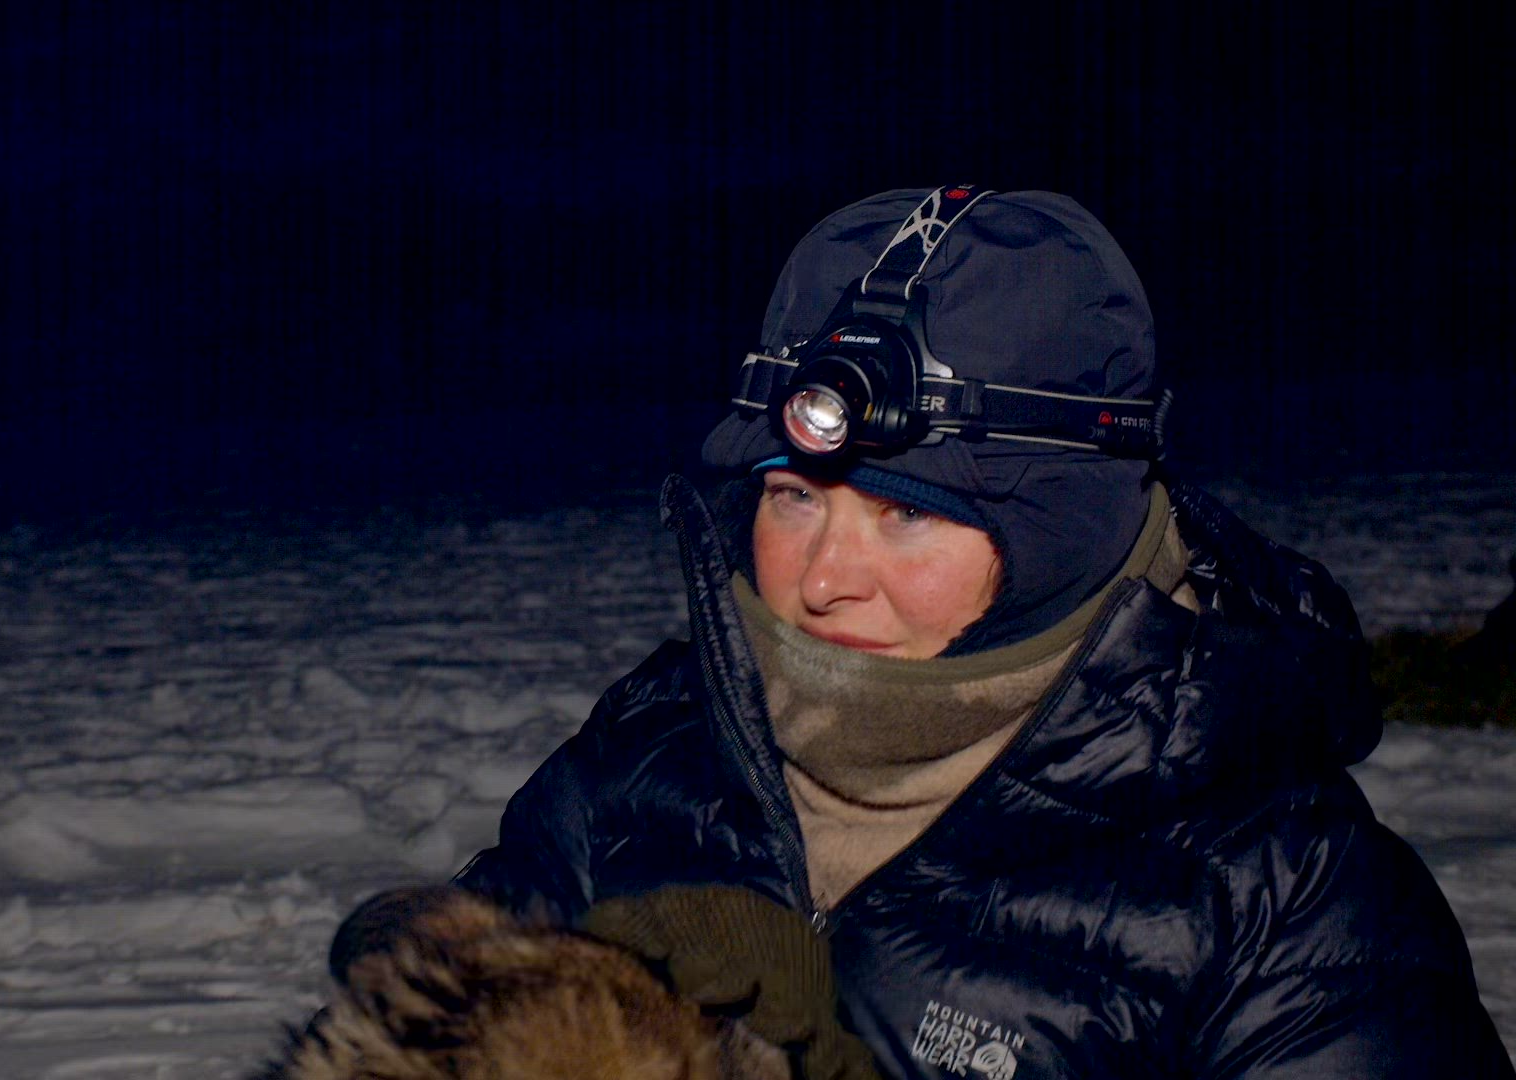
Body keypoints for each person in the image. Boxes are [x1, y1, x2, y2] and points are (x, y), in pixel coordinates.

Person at [450, 186, 1515, 1077]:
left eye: (906, 515)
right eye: (793, 498)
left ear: (1054, 541)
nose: (822, 579)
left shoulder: (1282, 902)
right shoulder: (651, 750)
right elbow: (423, 1001)